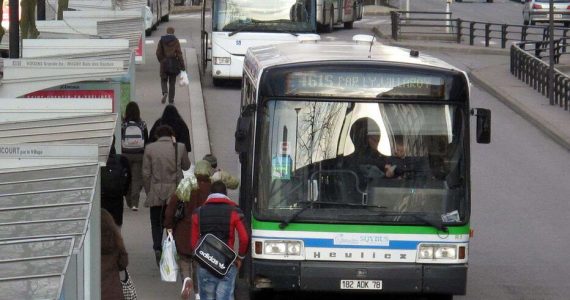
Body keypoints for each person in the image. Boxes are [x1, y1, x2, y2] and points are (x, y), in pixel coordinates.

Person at [191, 181, 249, 300]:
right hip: (226, 264)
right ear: (226, 193)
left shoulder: (198, 212)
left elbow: (193, 242)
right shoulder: (234, 211)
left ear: (210, 194)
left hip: (205, 263)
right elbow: (244, 238)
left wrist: (200, 259)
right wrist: (240, 257)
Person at [143, 124, 191, 266]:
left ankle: (157, 247)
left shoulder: (150, 149)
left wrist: (149, 191)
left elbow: (146, 174)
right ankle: (170, 250)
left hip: (156, 192)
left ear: (157, 136)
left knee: (156, 224)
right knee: (173, 223)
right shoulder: (180, 147)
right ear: (171, 135)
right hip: (174, 194)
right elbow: (186, 166)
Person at [164, 160, 212, 283]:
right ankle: (197, 293)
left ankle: (186, 279)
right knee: (199, 261)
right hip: (203, 231)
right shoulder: (212, 188)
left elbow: (171, 208)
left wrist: (168, 226)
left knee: (184, 258)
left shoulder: (186, 184)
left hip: (183, 230)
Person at [121, 101, 149, 211]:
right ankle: (135, 203)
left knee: (127, 177)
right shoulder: (142, 124)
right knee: (136, 179)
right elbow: (146, 140)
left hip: (125, 154)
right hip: (139, 154)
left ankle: (128, 199)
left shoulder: (123, 125)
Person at [100, 208, 129, 300]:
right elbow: (123, 263)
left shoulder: (88, 244)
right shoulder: (115, 240)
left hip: (90, 292)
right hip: (112, 291)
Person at [101, 142, 131, 227]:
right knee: (117, 223)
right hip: (117, 197)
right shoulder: (122, 159)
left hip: (102, 197)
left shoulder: (98, 159)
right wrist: (123, 192)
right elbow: (128, 178)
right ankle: (115, 239)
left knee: (102, 222)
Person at [156, 26, 185, 104]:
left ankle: (165, 92)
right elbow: (179, 54)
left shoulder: (161, 40)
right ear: (173, 32)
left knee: (163, 79)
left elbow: (158, 53)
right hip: (173, 63)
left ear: (166, 32)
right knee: (172, 83)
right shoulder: (176, 41)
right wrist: (182, 66)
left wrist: (161, 60)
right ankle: (171, 100)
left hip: (164, 63)